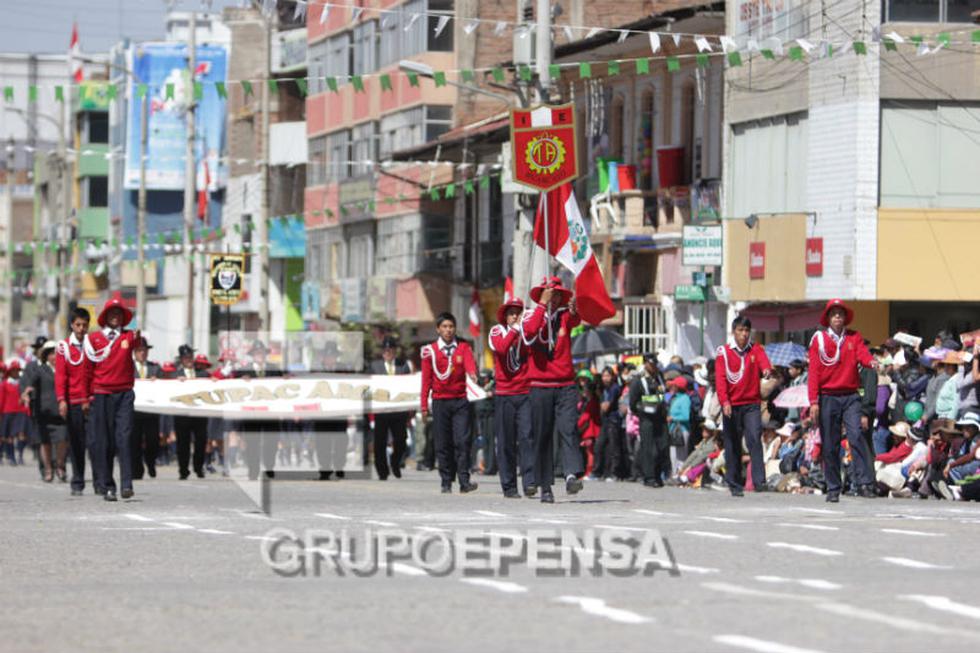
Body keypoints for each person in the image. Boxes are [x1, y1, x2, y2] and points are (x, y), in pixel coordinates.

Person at [808, 298, 878, 502]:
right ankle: (833, 487)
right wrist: (813, 401)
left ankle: (864, 483)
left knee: (856, 436)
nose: (838, 316)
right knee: (830, 444)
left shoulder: (853, 337)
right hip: (828, 396)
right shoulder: (819, 340)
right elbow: (813, 372)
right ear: (828, 318)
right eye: (834, 313)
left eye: (841, 313)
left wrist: (872, 362)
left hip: (850, 396)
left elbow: (863, 355)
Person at [523, 277, 585, 504]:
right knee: (543, 436)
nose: (554, 298)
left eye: (558, 295)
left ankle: (571, 475)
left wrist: (575, 307)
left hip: (565, 384)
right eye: (551, 294)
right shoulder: (530, 316)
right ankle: (545, 485)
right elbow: (529, 333)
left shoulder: (564, 317)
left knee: (568, 429)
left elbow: (576, 319)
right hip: (540, 386)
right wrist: (541, 305)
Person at [488, 296, 545, 498]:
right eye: (512, 313)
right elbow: (502, 348)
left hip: (524, 393)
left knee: (527, 438)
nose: (515, 317)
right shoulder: (496, 331)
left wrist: (528, 322)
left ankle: (529, 482)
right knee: (506, 442)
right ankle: (509, 486)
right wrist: (515, 328)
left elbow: (536, 332)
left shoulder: (525, 334)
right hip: (504, 395)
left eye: (519, 313)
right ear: (505, 316)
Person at [84, 297, 139, 501]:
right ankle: (107, 485)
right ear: (105, 317)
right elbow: (87, 370)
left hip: (124, 393)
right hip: (102, 394)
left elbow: (141, 346)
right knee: (104, 441)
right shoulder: (94, 339)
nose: (115, 317)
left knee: (124, 439)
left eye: (119, 313)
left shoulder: (130, 336)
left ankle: (127, 484)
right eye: (112, 313)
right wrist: (87, 396)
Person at [420, 312, 478, 494]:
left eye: (451, 326)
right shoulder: (430, 351)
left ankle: (464, 481)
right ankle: (446, 480)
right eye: (444, 327)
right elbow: (426, 381)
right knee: (443, 443)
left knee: (462, 441)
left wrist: (472, 373)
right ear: (438, 329)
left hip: (460, 401)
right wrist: (423, 406)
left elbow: (469, 364)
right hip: (440, 402)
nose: (448, 330)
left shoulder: (463, 347)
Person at [714, 316, 773, 497]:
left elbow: (764, 362)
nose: (744, 334)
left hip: (751, 404)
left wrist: (766, 370)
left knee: (755, 438)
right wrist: (724, 401)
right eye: (740, 330)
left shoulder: (755, 349)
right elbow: (721, 379)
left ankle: (759, 481)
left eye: (747, 330)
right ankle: (734, 483)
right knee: (732, 444)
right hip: (732, 405)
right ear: (734, 332)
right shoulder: (723, 352)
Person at [55, 308, 93, 496]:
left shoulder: (93, 345)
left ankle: (101, 482)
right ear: (72, 325)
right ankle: (77, 481)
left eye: (84, 325)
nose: (81, 329)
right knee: (77, 443)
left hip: (92, 401)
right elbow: (61, 376)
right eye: (78, 325)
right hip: (74, 401)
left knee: (96, 442)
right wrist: (62, 399)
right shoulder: (64, 347)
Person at [20, 341, 67, 483]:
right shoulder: (40, 369)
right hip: (44, 411)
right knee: (44, 442)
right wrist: (27, 391)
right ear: (46, 356)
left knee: (63, 439)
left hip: (61, 410)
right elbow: (31, 382)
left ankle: (60, 464)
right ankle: (48, 469)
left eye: (56, 353)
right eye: (51, 354)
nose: (54, 357)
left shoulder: (64, 368)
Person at [235, 341, 283, 480]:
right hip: (252, 413)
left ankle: (269, 467)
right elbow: (233, 386)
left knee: (271, 442)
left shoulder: (275, 369)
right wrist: (241, 381)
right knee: (252, 443)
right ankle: (253, 470)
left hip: (270, 413)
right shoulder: (243, 371)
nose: (259, 355)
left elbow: (284, 387)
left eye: (261, 353)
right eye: (257, 353)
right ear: (253, 355)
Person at [369, 337, 413, 480]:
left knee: (401, 440)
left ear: (395, 351)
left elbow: (409, 385)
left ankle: (395, 462)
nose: (388, 352)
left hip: (398, 410)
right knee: (380, 442)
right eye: (385, 350)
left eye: (390, 349)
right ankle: (382, 471)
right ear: (382, 351)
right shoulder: (375, 366)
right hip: (381, 410)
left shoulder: (403, 365)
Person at [168, 345, 209, 480]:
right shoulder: (175, 375)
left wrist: (213, 381)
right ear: (181, 359)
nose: (189, 360)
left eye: (190, 357)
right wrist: (176, 381)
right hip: (182, 414)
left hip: (199, 413)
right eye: (186, 358)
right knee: (183, 444)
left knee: (200, 442)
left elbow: (213, 384)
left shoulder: (203, 374)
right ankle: (183, 469)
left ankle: (198, 467)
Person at [629, 353, 669, 488]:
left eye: (655, 364)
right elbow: (633, 403)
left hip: (661, 418)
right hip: (647, 419)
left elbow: (663, 395)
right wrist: (644, 411)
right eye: (651, 364)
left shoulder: (659, 377)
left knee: (662, 446)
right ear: (645, 364)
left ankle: (658, 474)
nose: (653, 367)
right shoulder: (639, 380)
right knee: (649, 449)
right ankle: (649, 477)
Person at [131, 337, 163, 480]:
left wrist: (158, 381)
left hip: (151, 411)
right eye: (139, 350)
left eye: (144, 350)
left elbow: (167, 385)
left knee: (153, 441)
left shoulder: (155, 368)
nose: (142, 353)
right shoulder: (128, 367)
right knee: (134, 441)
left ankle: (150, 462)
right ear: (134, 352)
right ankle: (137, 469)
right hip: (134, 411)